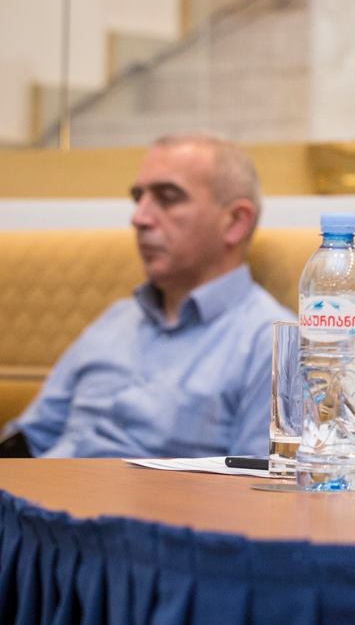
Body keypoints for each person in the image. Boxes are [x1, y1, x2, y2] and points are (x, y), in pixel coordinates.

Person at [0, 133, 292, 458]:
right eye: (138, 198)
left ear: (235, 222)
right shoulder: (116, 318)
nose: (138, 218)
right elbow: (28, 440)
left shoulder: (272, 343)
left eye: (168, 198)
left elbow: (260, 483)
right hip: (37, 485)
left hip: (142, 493)